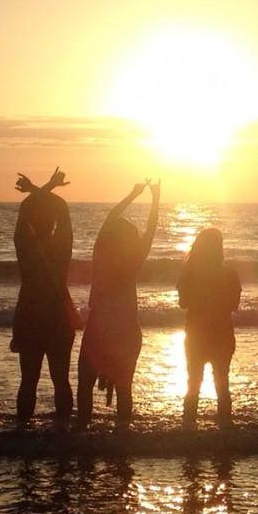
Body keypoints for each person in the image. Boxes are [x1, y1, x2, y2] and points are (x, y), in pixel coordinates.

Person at [77, 180, 160, 426]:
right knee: (124, 388)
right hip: (125, 331)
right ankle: (122, 438)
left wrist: (132, 194)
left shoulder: (100, 257)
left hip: (99, 330)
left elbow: (111, 218)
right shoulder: (134, 260)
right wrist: (155, 199)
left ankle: (82, 433)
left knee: (85, 385)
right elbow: (151, 229)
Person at [11, 168, 77, 422]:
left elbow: (24, 211)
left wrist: (39, 189)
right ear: (53, 224)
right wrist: (47, 187)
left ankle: (22, 434)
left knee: (28, 380)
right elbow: (63, 210)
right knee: (61, 379)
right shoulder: (61, 248)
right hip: (59, 316)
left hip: (29, 316)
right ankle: (64, 435)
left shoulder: (24, 248)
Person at [177, 227, 241, 429]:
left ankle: (188, 431)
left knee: (193, 382)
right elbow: (234, 305)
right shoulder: (230, 274)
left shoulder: (188, 274)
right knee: (222, 383)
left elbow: (183, 303)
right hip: (222, 332)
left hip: (196, 333)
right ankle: (225, 433)